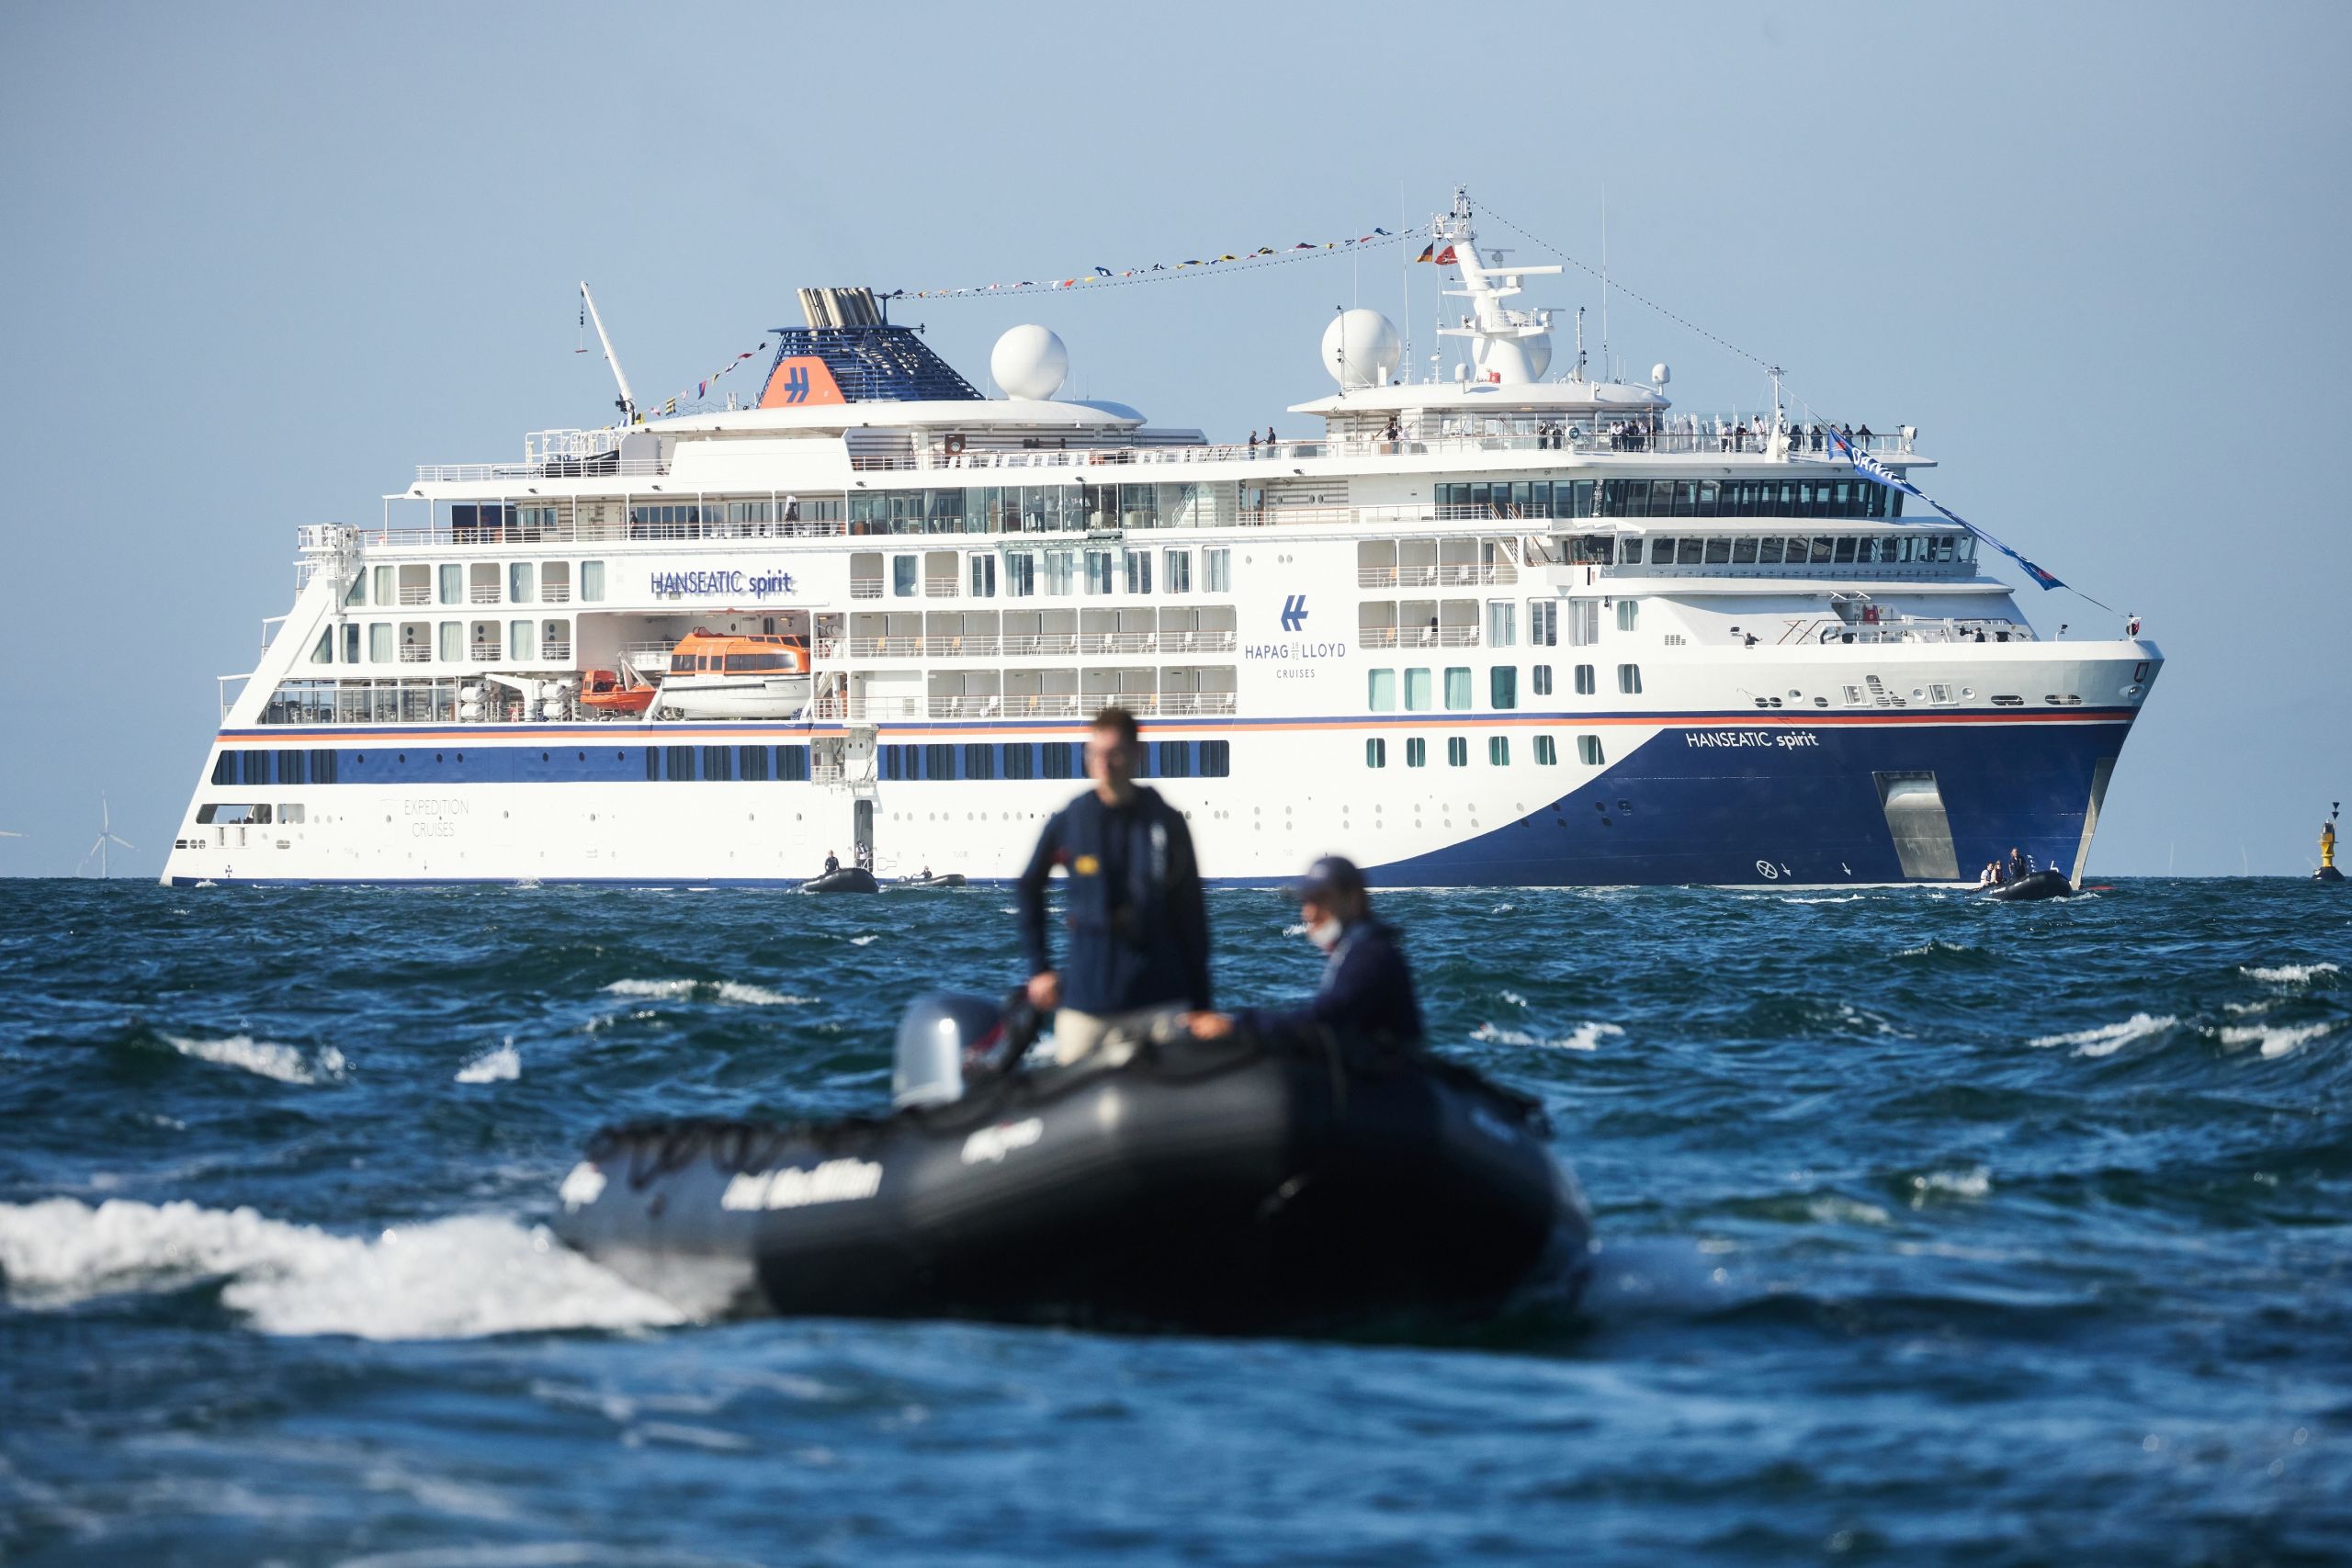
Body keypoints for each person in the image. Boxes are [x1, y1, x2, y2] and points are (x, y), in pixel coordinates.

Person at [1017, 706, 1211, 1063]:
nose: (1104, 765)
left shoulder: (1165, 822)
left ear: (1138, 754)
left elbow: (1191, 915)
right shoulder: (1071, 821)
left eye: (1115, 754)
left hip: (1160, 1000)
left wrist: (1202, 1004)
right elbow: (1029, 886)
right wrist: (1039, 969)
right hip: (1088, 1002)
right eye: (1095, 754)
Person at [1187, 856, 1422, 1049]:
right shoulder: (1359, 947)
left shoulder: (1369, 955)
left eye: (1320, 901)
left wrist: (1237, 1026)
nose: (1308, 913)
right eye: (1307, 902)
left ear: (1353, 900)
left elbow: (1324, 1022)